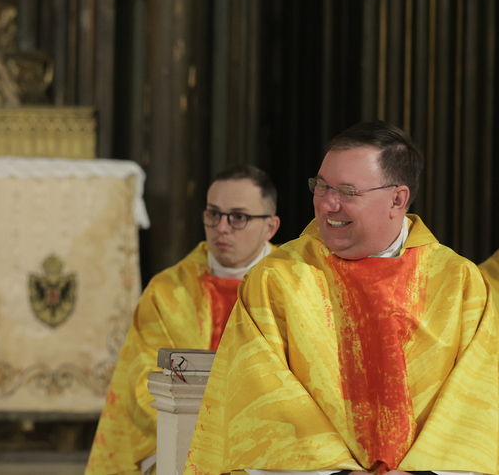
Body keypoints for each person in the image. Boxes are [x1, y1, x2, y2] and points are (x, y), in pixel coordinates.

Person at [185, 121, 499, 475]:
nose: (327, 204)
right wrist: (336, 472)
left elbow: (479, 403)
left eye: (347, 192)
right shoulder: (277, 279)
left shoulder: (459, 284)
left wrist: (424, 473)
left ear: (397, 199)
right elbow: (260, 400)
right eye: (321, 186)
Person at [86, 166, 281, 475]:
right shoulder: (167, 292)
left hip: (270, 442)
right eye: (213, 214)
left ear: (270, 227)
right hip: (184, 438)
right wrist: (205, 435)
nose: (222, 228)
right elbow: (144, 382)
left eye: (238, 217)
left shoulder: (292, 287)